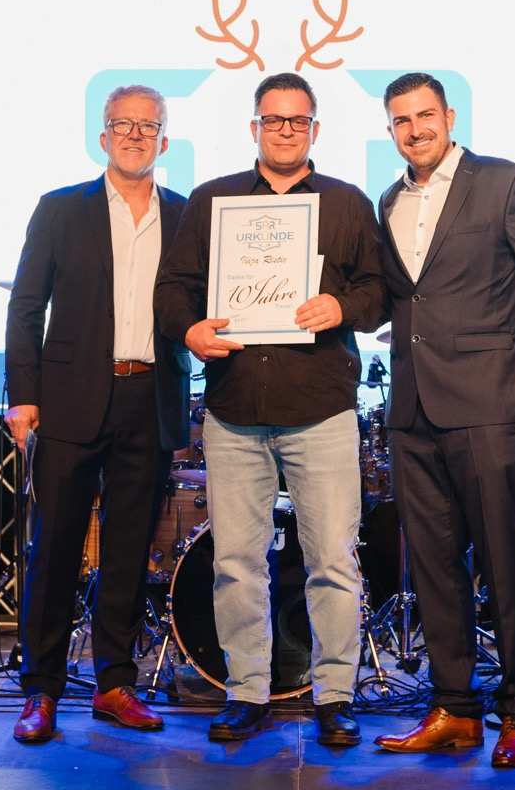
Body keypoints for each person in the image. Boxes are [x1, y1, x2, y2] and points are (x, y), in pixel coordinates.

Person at [153, 72, 385, 745]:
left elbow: (378, 294)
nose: (286, 130)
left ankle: (334, 695)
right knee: (236, 563)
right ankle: (246, 692)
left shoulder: (346, 202)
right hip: (234, 411)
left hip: (322, 410)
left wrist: (341, 306)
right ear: (254, 127)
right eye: (274, 120)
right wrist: (190, 329)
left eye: (298, 120)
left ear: (315, 129)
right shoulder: (213, 200)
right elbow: (173, 288)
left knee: (333, 562)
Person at [370, 73, 515, 766]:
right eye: (401, 120)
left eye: (425, 116)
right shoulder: (388, 200)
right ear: (390, 130)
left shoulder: (504, 182)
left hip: (491, 403)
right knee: (433, 568)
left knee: (504, 564)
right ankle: (455, 711)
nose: (415, 130)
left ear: (449, 116)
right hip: (413, 409)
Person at [4, 85, 190, 743]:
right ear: (103, 136)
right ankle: (41, 690)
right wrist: (23, 395)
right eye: (123, 124)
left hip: (150, 396)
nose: (136, 135)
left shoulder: (186, 215)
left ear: (164, 140)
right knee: (54, 549)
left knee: (129, 551)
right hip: (69, 397)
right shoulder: (60, 209)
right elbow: (26, 306)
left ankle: (115, 684)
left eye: (148, 125)